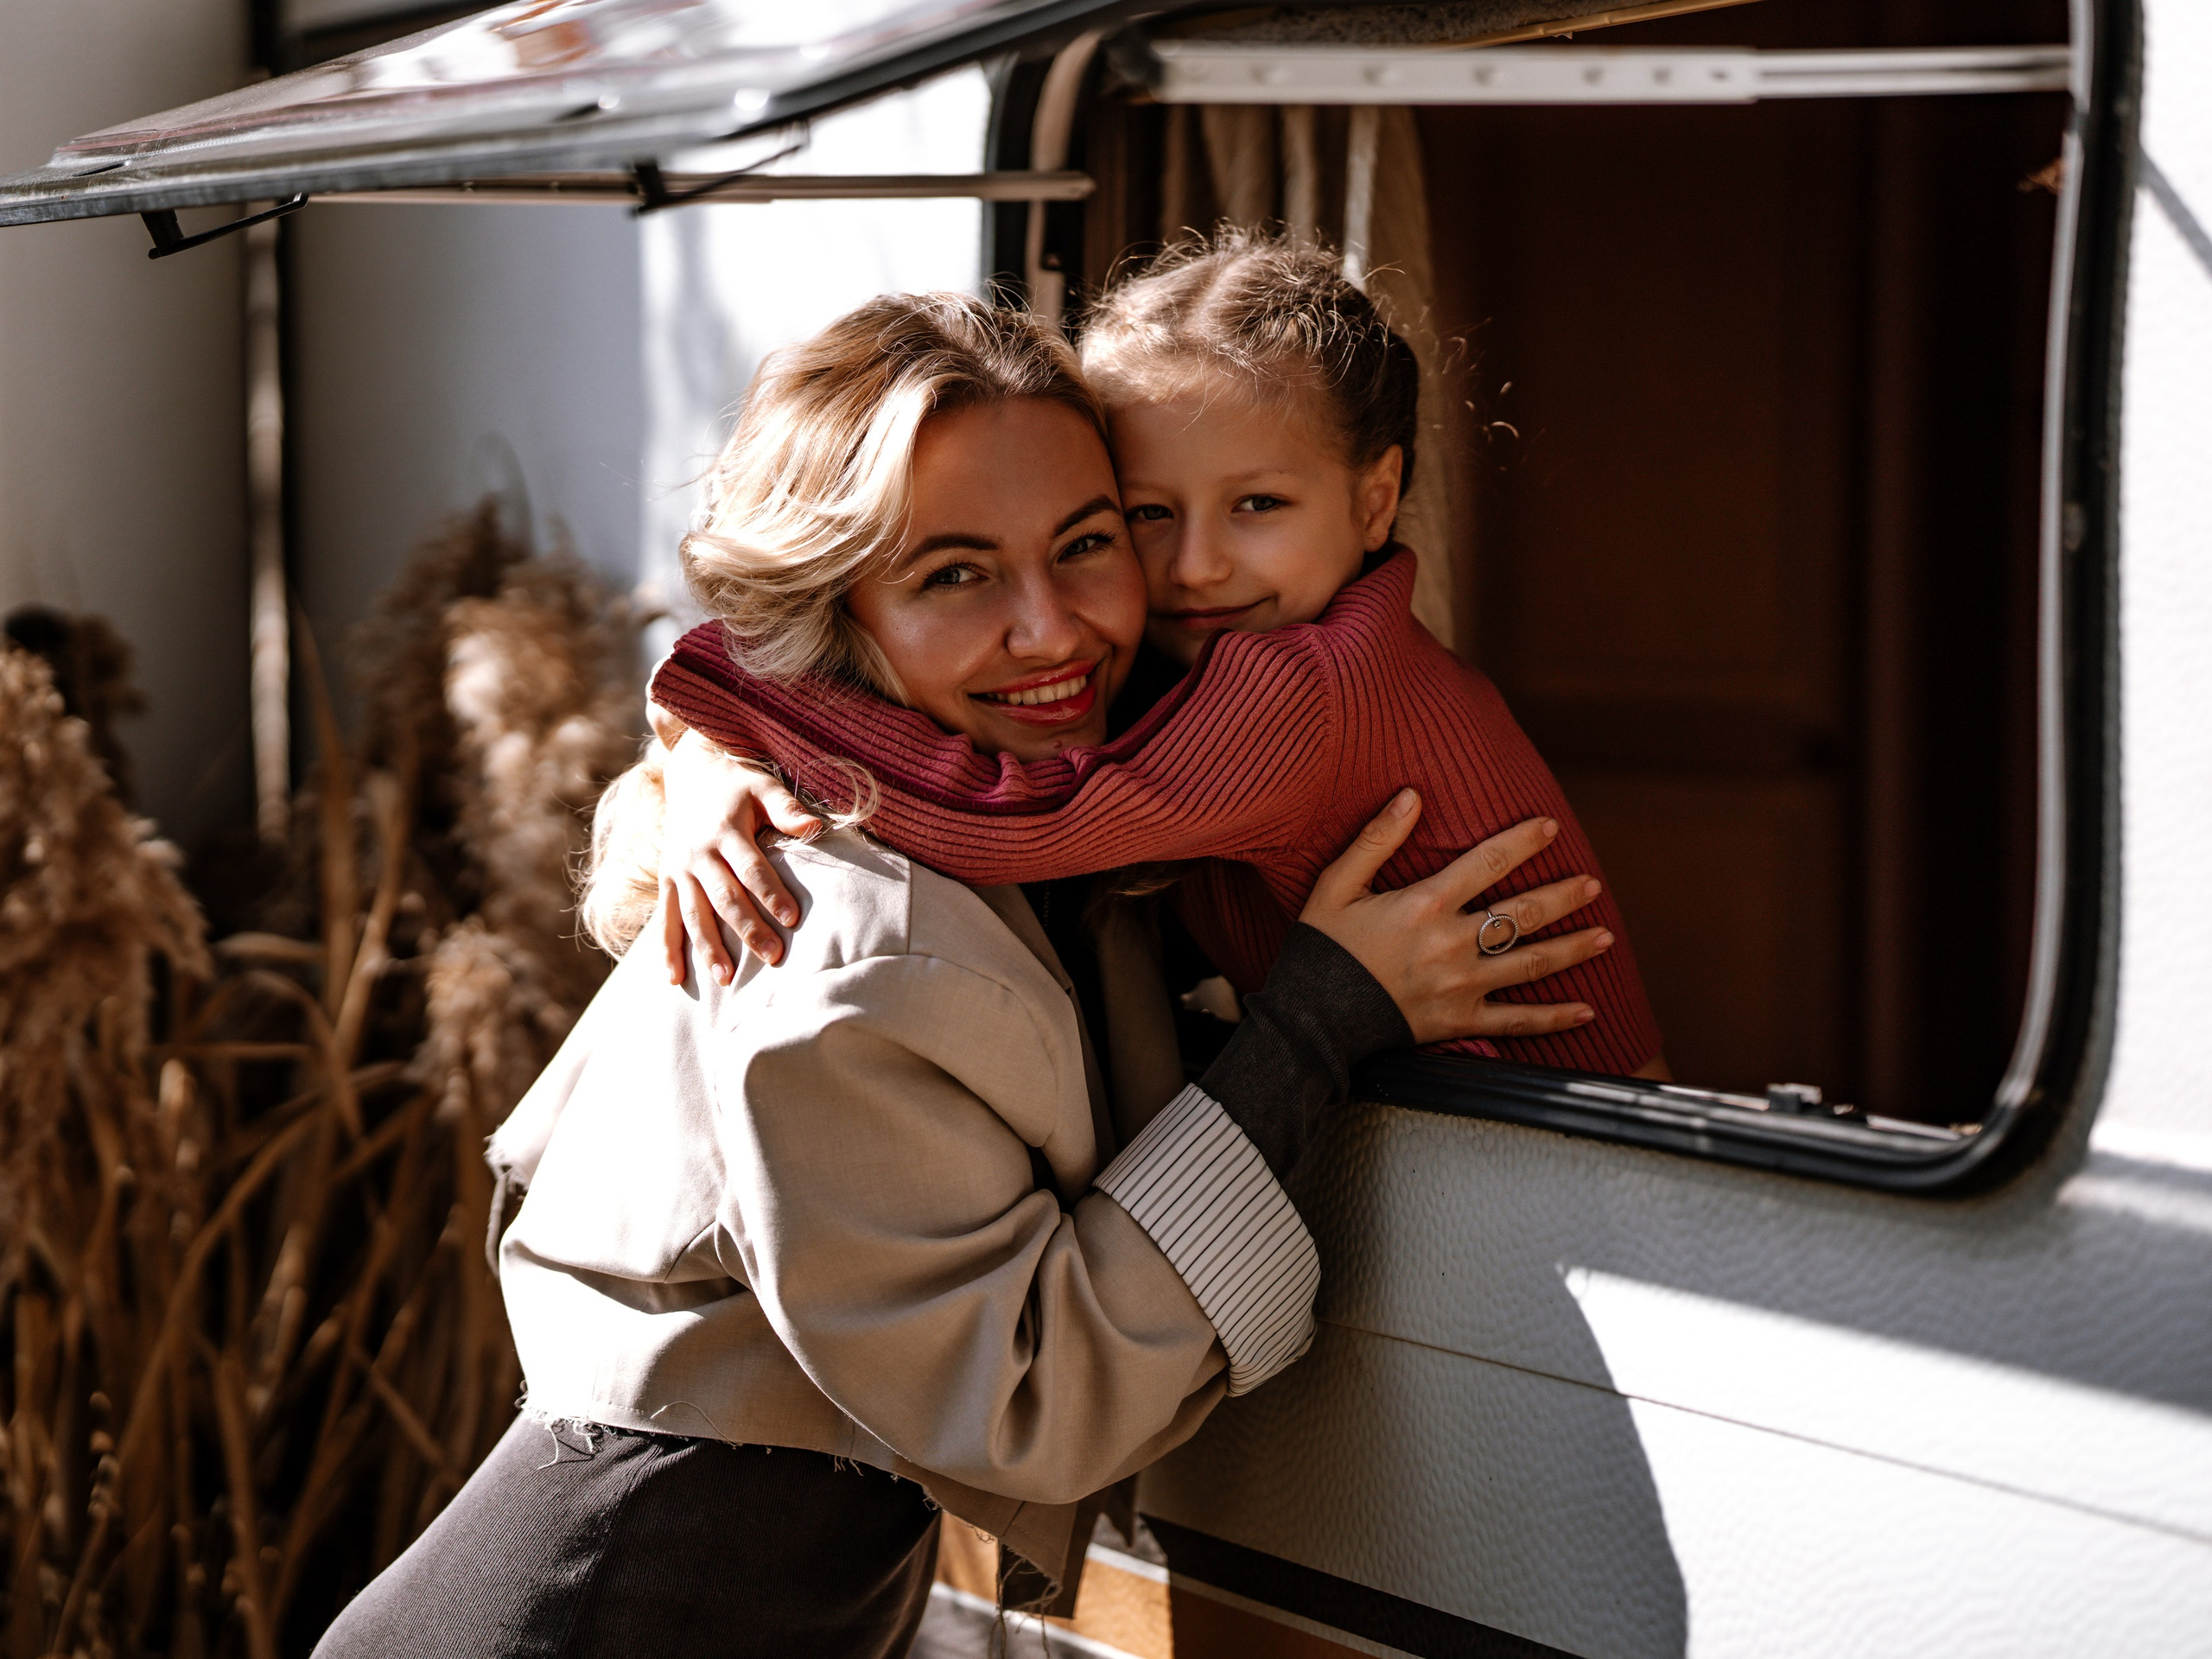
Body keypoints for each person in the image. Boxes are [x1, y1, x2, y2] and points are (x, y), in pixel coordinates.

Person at [312, 292, 1614, 1659]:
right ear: (838, 608)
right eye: (953, 576)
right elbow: (1034, 1400)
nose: (1051, 632)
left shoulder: (1053, 810)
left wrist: (702, 746)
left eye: (1089, 544)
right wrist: (1320, 1020)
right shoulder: (825, 926)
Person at [649, 231, 1669, 1080]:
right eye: (1143, 515)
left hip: (1564, 1153)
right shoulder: (1205, 668)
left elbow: (1014, 816)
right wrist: (705, 760)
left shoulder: (1304, 692)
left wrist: (732, 690)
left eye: (1257, 505)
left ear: (1375, 500)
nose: (1195, 566)